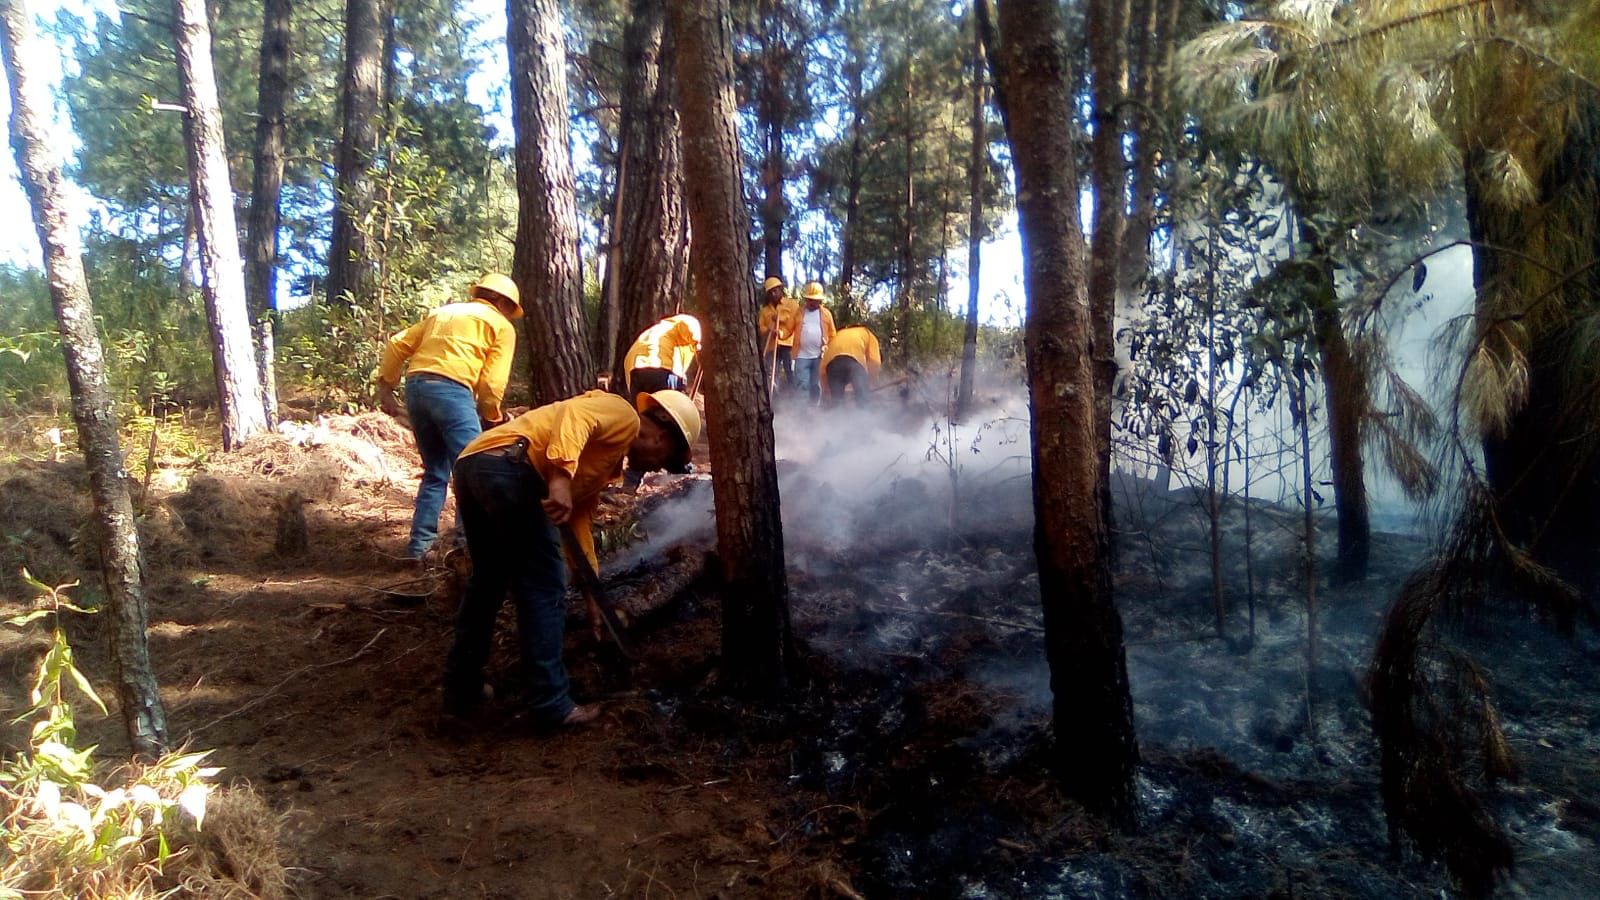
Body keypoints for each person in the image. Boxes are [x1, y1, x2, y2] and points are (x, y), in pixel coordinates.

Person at [442, 389, 701, 730]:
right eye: (665, 457)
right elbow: (575, 417)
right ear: (660, 433)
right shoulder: (622, 415)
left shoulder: (601, 462)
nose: (658, 467)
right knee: (545, 589)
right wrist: (561, 479)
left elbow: (578, 521)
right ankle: (550, 704)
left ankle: (462, 689)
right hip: (513, 468)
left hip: (476, 465)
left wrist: (591, 590)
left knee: (487, 583)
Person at [375, 273, 520, 560]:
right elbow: (492, 384)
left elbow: (396, 344)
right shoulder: (501, 325)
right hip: (453, 389)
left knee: (436, 472)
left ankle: (419, 549)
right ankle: (465, 548)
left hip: (416, 387)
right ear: (503, 302)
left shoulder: (444, 312)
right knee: (471, 471)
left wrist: (386, 389)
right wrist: (492, 416)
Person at [622, 313, 702, 402]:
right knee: (670, 410)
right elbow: (689, 328)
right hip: (661, 369)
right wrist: (698, 347)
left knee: (643, 413)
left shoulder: (660, 329)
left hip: (635, 371)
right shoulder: (686, 321)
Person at [791, 282, 836, 406]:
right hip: (801, 355)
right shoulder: (799, 312)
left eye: (815, 300)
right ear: (806, 299)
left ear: (820, 300)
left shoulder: (826, 314)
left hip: (819, 356)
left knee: (816, 384)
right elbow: (788, 330)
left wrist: (827, 347)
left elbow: (833, 334)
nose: (812, 302)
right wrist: (780, 333)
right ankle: (802, 411)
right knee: (802, 383)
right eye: (809, 300)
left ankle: (814, 409)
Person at [822, 324, 881, 407]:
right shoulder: (867, 333)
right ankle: (865, 415)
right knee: (863, 399)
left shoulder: (839, 334)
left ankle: (836, 416)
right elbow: (874, 361)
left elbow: (823, 366)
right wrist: (869, 383)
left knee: (837, 401)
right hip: (854, 362)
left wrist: (826, 390)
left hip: (832, 366)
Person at [757, 276, 798, 394]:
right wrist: (768, 329)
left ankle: (794, 397)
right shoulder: (765, 311)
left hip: (788, 345)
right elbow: (761, 327)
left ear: (781, 290)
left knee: (791, 371)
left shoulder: (792, 304)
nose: (774, 294)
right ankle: (775, 399)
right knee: (773, 374)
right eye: (771, 292)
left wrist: (781, 319)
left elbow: (794, 320)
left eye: (776, 290)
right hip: (772, 346)